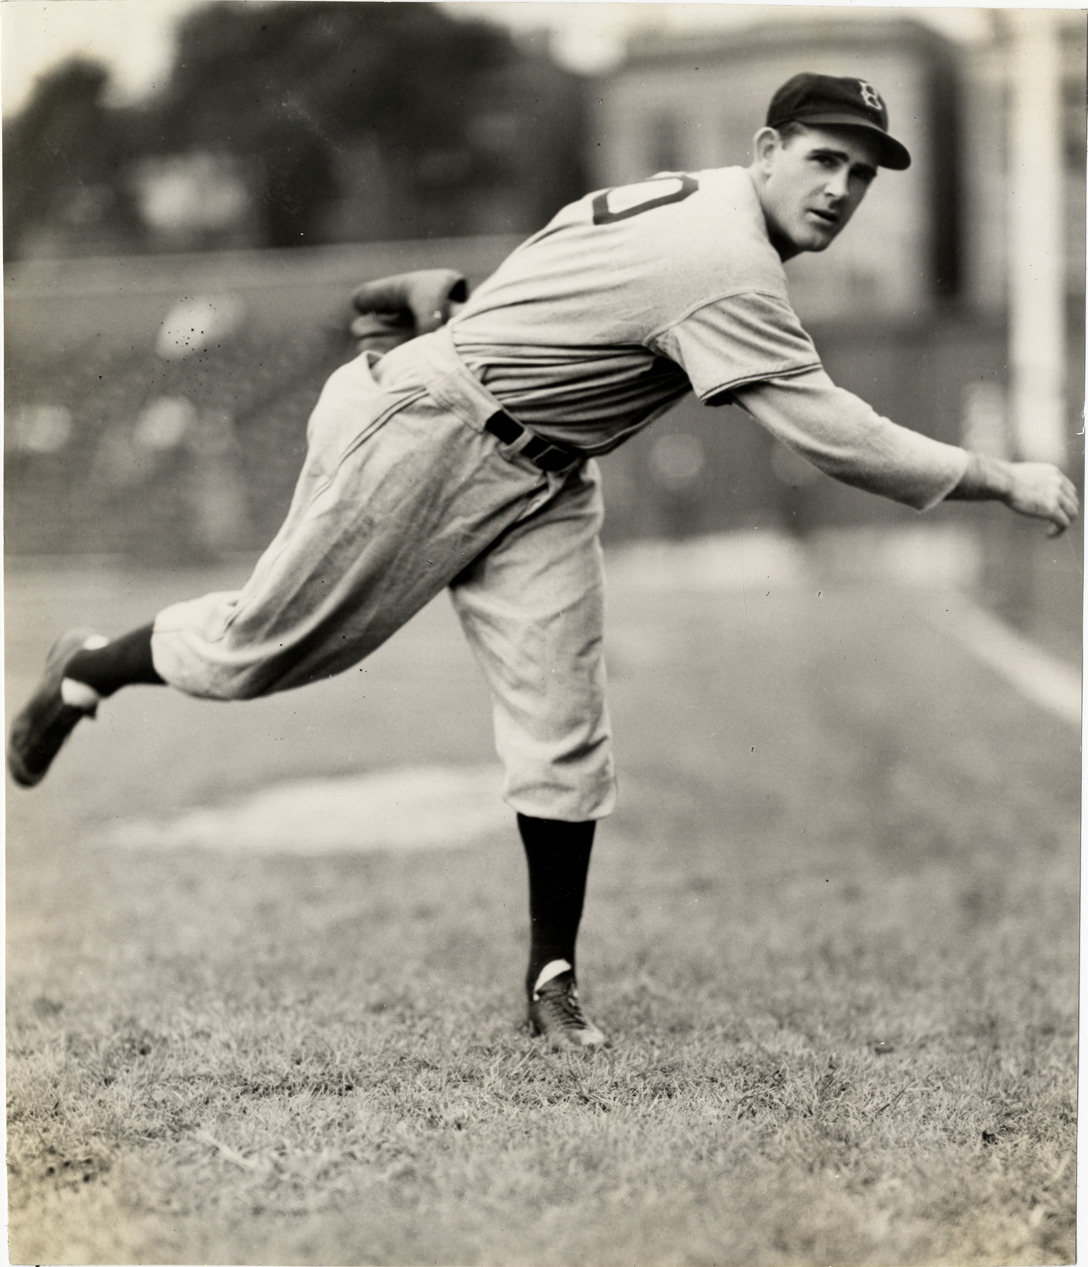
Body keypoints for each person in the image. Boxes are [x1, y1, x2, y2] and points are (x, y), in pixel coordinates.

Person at [8, 74, 1079, 1050]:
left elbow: (571, 267)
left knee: (564, 718)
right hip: (432, 433)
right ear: (766, 150)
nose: (841, 189)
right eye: (823, 159)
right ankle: (91, 666)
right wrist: (1001, 477)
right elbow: (836, 436)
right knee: (256, 652)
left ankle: (550, 978)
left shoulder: (696, 200)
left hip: (546, 470)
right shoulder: (725, 262)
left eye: (861, 173)